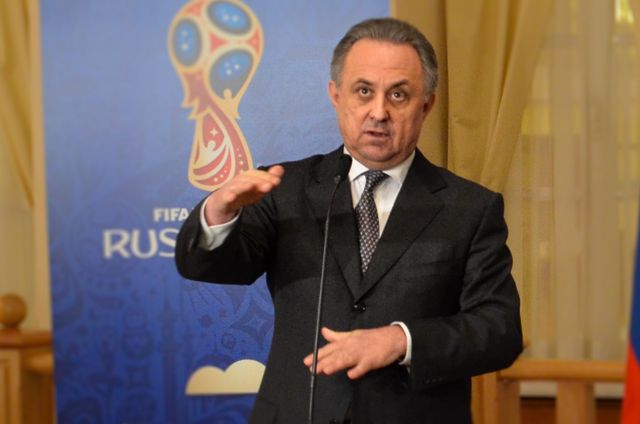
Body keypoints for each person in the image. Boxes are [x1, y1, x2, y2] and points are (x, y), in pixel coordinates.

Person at [175, 17, 522, 424]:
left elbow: (499, 330)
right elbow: (210, 266)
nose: (379, 112)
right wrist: (220, 212)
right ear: (336, 95)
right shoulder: (285, 189)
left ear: (426, 105)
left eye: (398, 95)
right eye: (364, 91)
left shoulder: (470, 208)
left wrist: (401, 340)